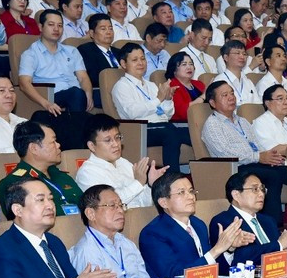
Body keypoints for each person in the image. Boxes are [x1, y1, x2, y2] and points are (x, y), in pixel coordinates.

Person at [0, 177, 117, 278]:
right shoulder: (2, 250)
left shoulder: (54, 242)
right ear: (18, 210)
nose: (50, 205)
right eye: (41, 200)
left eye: (51, 199)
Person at [201, 80, 287, 224]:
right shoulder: (212, 125)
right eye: (225, 95)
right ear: (212, 102)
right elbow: (225, 153)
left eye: (232, 93)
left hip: (254, 162)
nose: (231, 97)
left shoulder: (242, 121)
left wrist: (268, 157)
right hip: (234, 167)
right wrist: (258, 157)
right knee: (273, 175)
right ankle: (273, 225)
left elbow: (257, 145)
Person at [140, 171, 252, 278]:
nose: (191, 197)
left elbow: (213, 267)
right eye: (181, 192)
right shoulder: (152, 234)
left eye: (191, 191)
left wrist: (228, 249)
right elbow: (173, 277)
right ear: (164, 202)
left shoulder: (198, 225)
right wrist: (216, 249)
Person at [112, 43, 192, 171]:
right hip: (140, 129)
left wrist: (167, 99)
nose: (140, 63)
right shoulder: (121, 86)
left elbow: (167, 115)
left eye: (143, 58)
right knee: (169, 131)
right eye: (135, 60)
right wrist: (158, 99)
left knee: (192, 132)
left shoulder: (151, 85)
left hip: (161, 125)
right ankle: (172, 176)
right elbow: (132, 112)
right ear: (123, 63)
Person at [209, 171, 287, 274]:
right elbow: (242, 258)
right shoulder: (224, 221)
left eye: (262, 189)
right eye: (255, 189)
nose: (261, 194)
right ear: (236, 195)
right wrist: (280, 245)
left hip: (276, 276)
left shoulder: (268, 221)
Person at [69, 184, 153, 278]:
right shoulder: (87, 250)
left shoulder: (126, 243)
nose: (120, 211)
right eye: (112, 205)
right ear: (91, 214)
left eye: (121, 205)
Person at [76, 114, 167, 209]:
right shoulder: (87, 172)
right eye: (108, 140)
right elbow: (110, 204)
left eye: (117, 137)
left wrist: (151, 185)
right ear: (91, 146)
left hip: (139, 216)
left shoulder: (124, 163)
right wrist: (139, 182)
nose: (116, 144)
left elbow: (143, 203)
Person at [0, 121, 83, 218]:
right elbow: (24, 222)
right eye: (53, 142)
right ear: (34, 148)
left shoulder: (62, 176)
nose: (58, 145)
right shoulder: (14, 183)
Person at [19, 9, 92, 114]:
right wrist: (46, 103)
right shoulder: (30, 54)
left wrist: (88, 94)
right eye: (51, 25)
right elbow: (24, 83)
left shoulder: (72, 51)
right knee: (76, 93)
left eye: (60, 25)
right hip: (51, 96)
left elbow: (83, 77)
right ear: (40, 27)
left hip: (76, 94)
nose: (56, 29)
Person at [76, 12, 120, 108]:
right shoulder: (85, 50)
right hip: (101, 92)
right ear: (92, 33)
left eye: (110, 28)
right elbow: (93, 77)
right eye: (103, 29)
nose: (108, 32)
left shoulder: (119, 52)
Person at [165, 51, 205, 122]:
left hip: (202, 120)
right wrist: (203, 97)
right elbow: (183, 113)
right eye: (184, 64)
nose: (189, 67)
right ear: (174, 70)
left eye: (191, 64)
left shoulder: (199, 84)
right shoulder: (172, 87)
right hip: (182, 125)